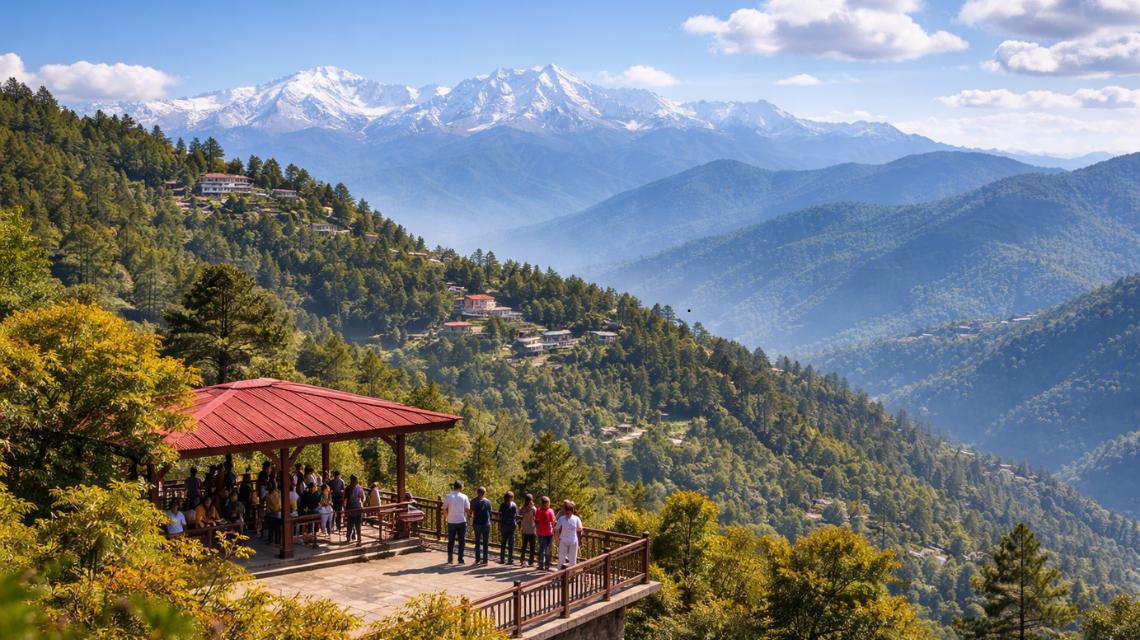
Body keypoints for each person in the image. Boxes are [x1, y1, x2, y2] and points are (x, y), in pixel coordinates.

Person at [442, 480, 471, 564]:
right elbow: (467, 509)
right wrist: (467, 516)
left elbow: (444, 507)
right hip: (461, 520)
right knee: (461, 541)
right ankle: (460, 558)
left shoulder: (448, 496)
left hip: (451, 521)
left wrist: (446, 517)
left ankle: (450, 558)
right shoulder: (464, 497)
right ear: (461, 487)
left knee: (451, 540)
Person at [555, 501, 583, 570]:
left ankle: (571, 573)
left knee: (573, 558)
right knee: (561, 558)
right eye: (567, 513)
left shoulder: (576, 519)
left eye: (570, 513)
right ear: (565, 512)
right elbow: (557, 529)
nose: (568, 515)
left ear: (572, 512)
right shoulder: (561, 518)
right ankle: (560, 572)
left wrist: (578, 533)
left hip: (573, 540)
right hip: (563, 539)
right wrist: (556, 540)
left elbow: (580, 529)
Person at [471, 487, 493, 565]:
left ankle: (477, 559)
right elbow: (490, 511)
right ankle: (485, 560)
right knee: (485, 542)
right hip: (486, 523)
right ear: (484, 493)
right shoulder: (488, 502)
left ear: (477, 493)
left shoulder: (473, 501)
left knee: (477, 541)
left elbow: (471, 510)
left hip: (477, 523)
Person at [535, 496, 556, 571]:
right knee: (549, 548)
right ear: (547, 503)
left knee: (542, 548)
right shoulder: (550, 511)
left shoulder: (538, 510)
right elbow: (553, 521)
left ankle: (541, 564)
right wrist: (553, 530)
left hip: (541, 532)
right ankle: (547, 564)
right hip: (549, 532)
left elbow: (537, 519)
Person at [499, 491, 518, 564]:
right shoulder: (514, 505)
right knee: (510, 542)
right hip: (511, 525)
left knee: (504, 542)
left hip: (505, 525)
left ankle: (503, 559)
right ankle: (510, 559)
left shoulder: (503, 505)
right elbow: (515, 515)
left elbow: (500, 515)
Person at [518, 494, 537, 567]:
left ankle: (522, 560)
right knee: (532, 546)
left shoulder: (523, 508)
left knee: (524, 546)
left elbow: (520, 517)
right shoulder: (534, 509)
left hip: (525, 529)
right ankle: (531, 561)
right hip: (532, 530)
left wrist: (520, 526)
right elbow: (536, 518)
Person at [345, 474, 365, 542]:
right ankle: (358, 539)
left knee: (351, 523)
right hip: (357, 508)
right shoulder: (359, 488)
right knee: (357, 524)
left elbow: (345, 498)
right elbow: (362, 498)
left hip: (351, 508)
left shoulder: (347, 488)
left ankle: (349, 538)